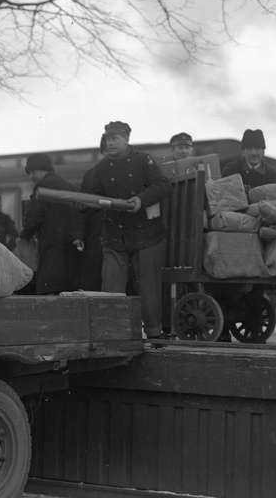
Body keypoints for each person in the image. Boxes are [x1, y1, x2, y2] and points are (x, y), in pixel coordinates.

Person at [83, 121, 171, 337]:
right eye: (107, 139)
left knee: (149, 288)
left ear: (127, 139)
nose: (110, 143)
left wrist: (141, 200)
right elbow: (94, 198)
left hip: (147, 234)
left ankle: (154, 333)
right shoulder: (100, 169)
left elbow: (163, 185)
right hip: (115, 236)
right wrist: (84, 204)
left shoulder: (143, 160)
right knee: (111, 289)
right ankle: (111, 335)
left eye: (115, 138)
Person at [20, 153, 85, 295]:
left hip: (51, 248)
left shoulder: (43, 186)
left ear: (42, 169)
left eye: (32, 172)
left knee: (50, 290)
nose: (30, 176)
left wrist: (25, 235)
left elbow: (33, 216)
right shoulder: (71, 186)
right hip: (71, 251)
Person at [77, 137, 108, 291]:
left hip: (121, 234)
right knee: (94, 276)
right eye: (106, 150)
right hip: (96, 233)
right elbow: (82, 210)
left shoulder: (130, 173)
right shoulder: (90, 175)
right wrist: (79, 235)